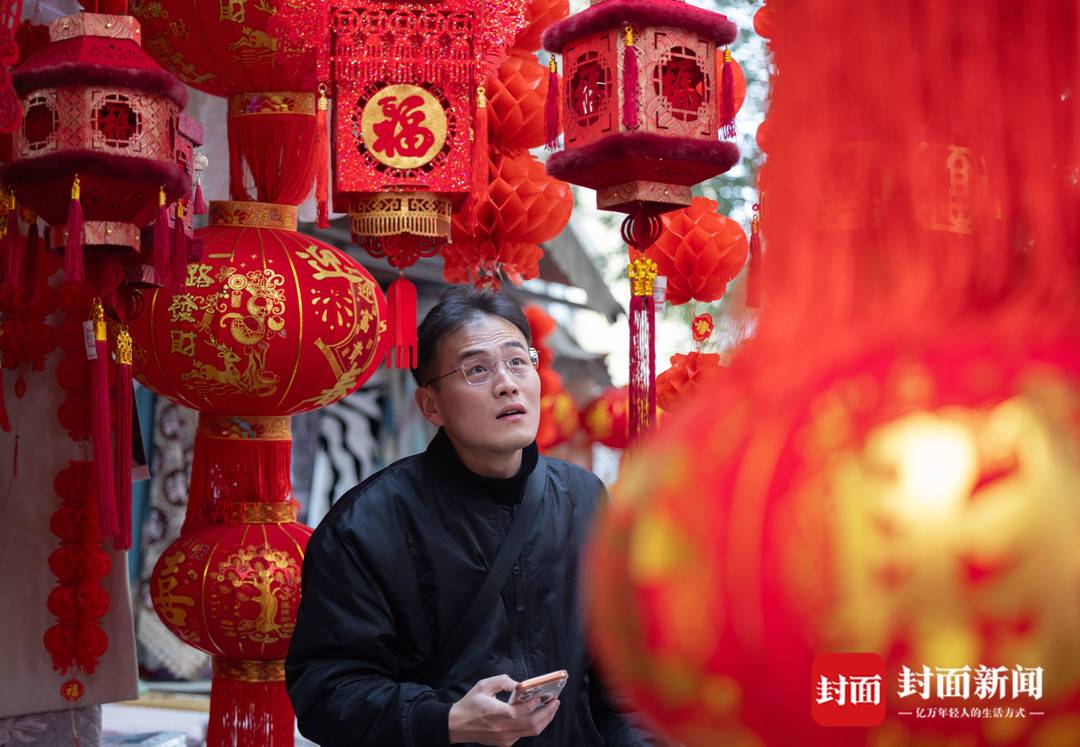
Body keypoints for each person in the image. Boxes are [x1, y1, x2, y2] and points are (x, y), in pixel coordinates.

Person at [286, 287, 656, 746]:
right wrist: (445, 721)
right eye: (477, 369)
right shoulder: (366, 524)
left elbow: (621, 681)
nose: (507, 383)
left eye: (518, 361)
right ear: (431, 405)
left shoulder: (584, 499)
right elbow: (326, 693)